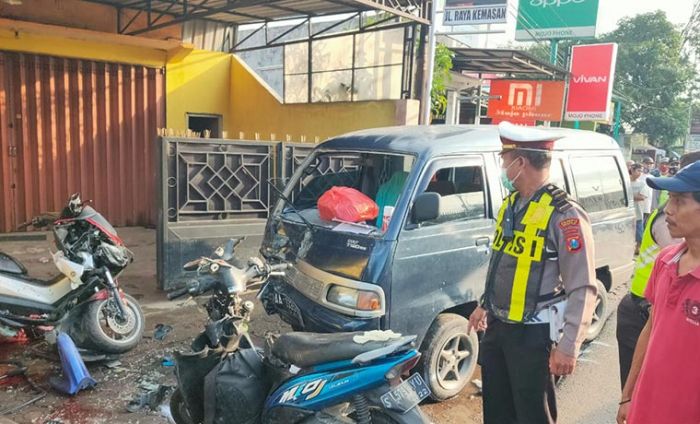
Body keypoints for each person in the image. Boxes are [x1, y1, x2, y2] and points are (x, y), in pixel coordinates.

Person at [468, 122, 597, 424]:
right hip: (499, 328)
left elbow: (583, 285)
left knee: (532, 416)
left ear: (519, 162)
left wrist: (569, 346)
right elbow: (503, 261)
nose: (502, 165)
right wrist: (484, 304)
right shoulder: (512, 204)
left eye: (504, 159)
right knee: (497, 413)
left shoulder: (565, 215)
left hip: (533, 335)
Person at [617, 161, 700, 424]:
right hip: (646, 408)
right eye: (670, 199)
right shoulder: (666, 260)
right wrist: (628, 396)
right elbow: (651, 328)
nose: (668, 209)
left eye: (680, 200)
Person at [630, 163, 652, 253]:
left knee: (639, 234)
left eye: (641, 171)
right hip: (627, 213)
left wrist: (628, 196)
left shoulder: (642, 184)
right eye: (638, 170)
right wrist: (634, 196)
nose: (640, 173)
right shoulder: (625, 182)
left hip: (638, 213)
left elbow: (642, 197)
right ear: (632, 170)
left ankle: (638, 248)